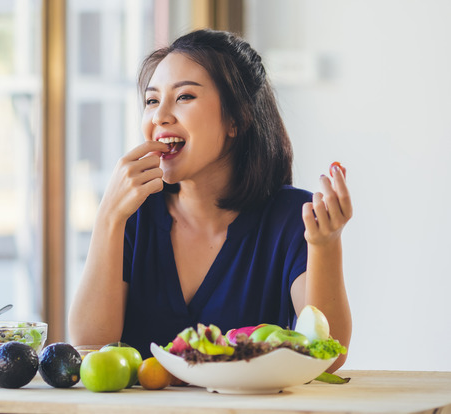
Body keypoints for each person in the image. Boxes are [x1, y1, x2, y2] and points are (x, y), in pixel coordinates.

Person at [67, 29, 352, 372]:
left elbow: (327, 358)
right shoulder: (133, 214)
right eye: (152, 101)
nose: (159, 116)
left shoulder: (292, 218)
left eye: (184, 97)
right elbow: (89, 347)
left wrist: (325, 245)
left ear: (236, 119)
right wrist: (108, 218)